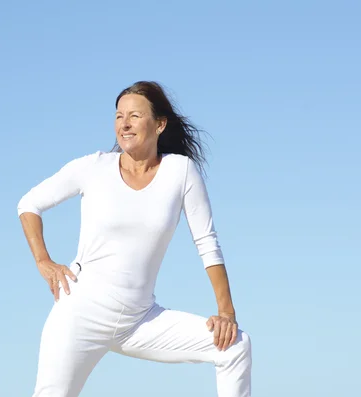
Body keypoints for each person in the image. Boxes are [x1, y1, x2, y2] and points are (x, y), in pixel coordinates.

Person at [17, 81, 252, 397]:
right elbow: (29, 204)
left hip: (140, 320)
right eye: (118, 116)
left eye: (134, 116)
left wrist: (227, 314)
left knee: (234, 345)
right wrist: (43, 261)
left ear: (159, 124)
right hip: (80, 315)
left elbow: (207, 242)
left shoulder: (180, 171)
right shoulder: (94, 167)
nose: (124, 124)